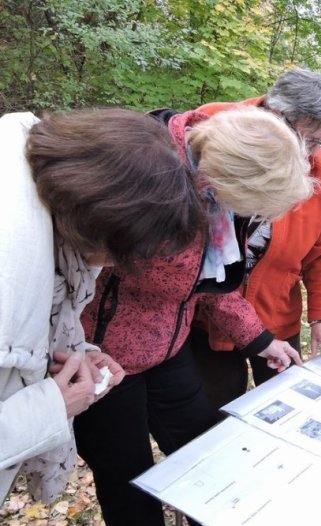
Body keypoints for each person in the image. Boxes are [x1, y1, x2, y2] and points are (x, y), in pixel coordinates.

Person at [75, 106, 310, 526]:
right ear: (233, 179)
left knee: (205, 451)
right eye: (254, 206)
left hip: (168, 348)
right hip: (103, 359)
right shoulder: (149, 187)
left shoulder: (211, 199)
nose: (253, 217)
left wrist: (263, 341)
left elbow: (208, 286)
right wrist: (71, 350)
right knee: (127, 477)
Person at [0, 108, 206, 504]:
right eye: (125, 253)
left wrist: (80, 353)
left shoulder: (48, 229)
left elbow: (39, 331)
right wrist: (51, 405)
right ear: (98, 224)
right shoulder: (11, 282)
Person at [191, 68, 321, 410]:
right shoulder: (214, 126)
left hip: (276, 314)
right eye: (309, 140)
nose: (313, 154)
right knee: (215, 415)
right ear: (278, 116)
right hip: (208, 320)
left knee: (284, 409)